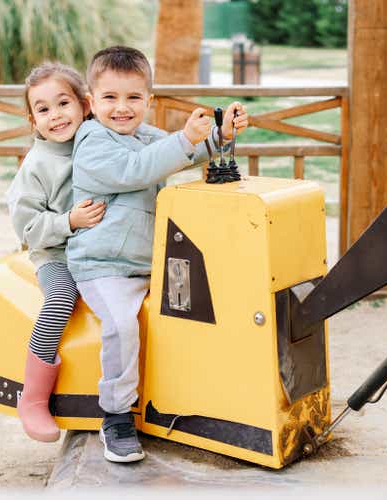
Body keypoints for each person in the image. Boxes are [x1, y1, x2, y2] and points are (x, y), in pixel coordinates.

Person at [66, 46, 248, 462]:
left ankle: (201, 401)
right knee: (121, 327)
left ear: (149, 101)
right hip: (104, 266)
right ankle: (115, 414)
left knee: (205, 310)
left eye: (133, 98)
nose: (122, 108)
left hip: (150, 264)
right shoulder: (92, 142)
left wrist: (220, 135)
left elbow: (178, 152)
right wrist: (184, 140)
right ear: (91, 103)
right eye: (109, 98)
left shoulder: (146, 137)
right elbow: (139, 170)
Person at [6, 62, 106, 442]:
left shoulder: (101, 143)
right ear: (32, 120)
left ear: (85, 105)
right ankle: (32, 398)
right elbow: (28, 228)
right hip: (56, 254)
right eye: (43, 109)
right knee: (61, 297)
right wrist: (69, 221)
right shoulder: (37, 166)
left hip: (100, 250)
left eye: (63, 103)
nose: (55, 115)